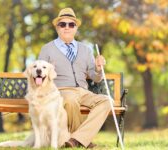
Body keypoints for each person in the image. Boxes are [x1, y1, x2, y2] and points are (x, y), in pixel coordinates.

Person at [38, 7, 111, 148]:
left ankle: (76, 139)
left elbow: (95, 78)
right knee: (70, 100)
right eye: (62, 24)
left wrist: (97, 68)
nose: (67, 27)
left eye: (71, 24)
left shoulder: (86, 49)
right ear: (57, 28)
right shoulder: (47, 49)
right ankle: (83, 141)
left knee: (107, 101)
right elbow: (40, 74)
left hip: (83, 91)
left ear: (76, 28)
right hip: (61, 90)